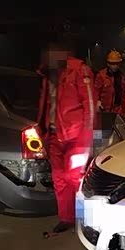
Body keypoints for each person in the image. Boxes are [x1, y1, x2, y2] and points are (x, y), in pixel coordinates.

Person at [37, 42, 98, 234]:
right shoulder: (48, 73)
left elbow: (89, 105)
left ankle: (86, 219)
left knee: (76, 178)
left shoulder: (79, 70)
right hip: (54, 136)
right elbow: (45, 104)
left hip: (76, 137)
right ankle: (66, 218)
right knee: (59, 179)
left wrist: (87, 139)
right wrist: (43, 133)